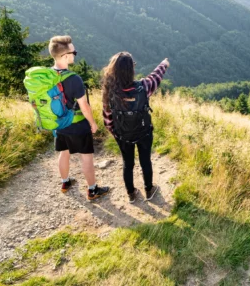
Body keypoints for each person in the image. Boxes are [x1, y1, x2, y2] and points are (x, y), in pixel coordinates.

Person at [102, 52, 169, 203]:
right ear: (131, 70)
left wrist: (117, 133)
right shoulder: (143, 87)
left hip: (122, 136)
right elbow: (156, 76)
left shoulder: (109, 91)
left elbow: (107, 119)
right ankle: (149, 190)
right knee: (145, 160)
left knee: (128, 163)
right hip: (144, 132)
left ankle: (131, 193)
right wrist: (164, 63)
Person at [49, 35, 109, 200]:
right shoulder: (74, 79)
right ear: (65, 56)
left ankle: (65, 182)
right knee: (86, 156)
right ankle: (92, 190)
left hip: (59, 123)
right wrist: (92, 123)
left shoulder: (47, 76)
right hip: (77, 124)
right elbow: (84, 106)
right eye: (73, 52)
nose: (75, 54)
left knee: (64, 152)